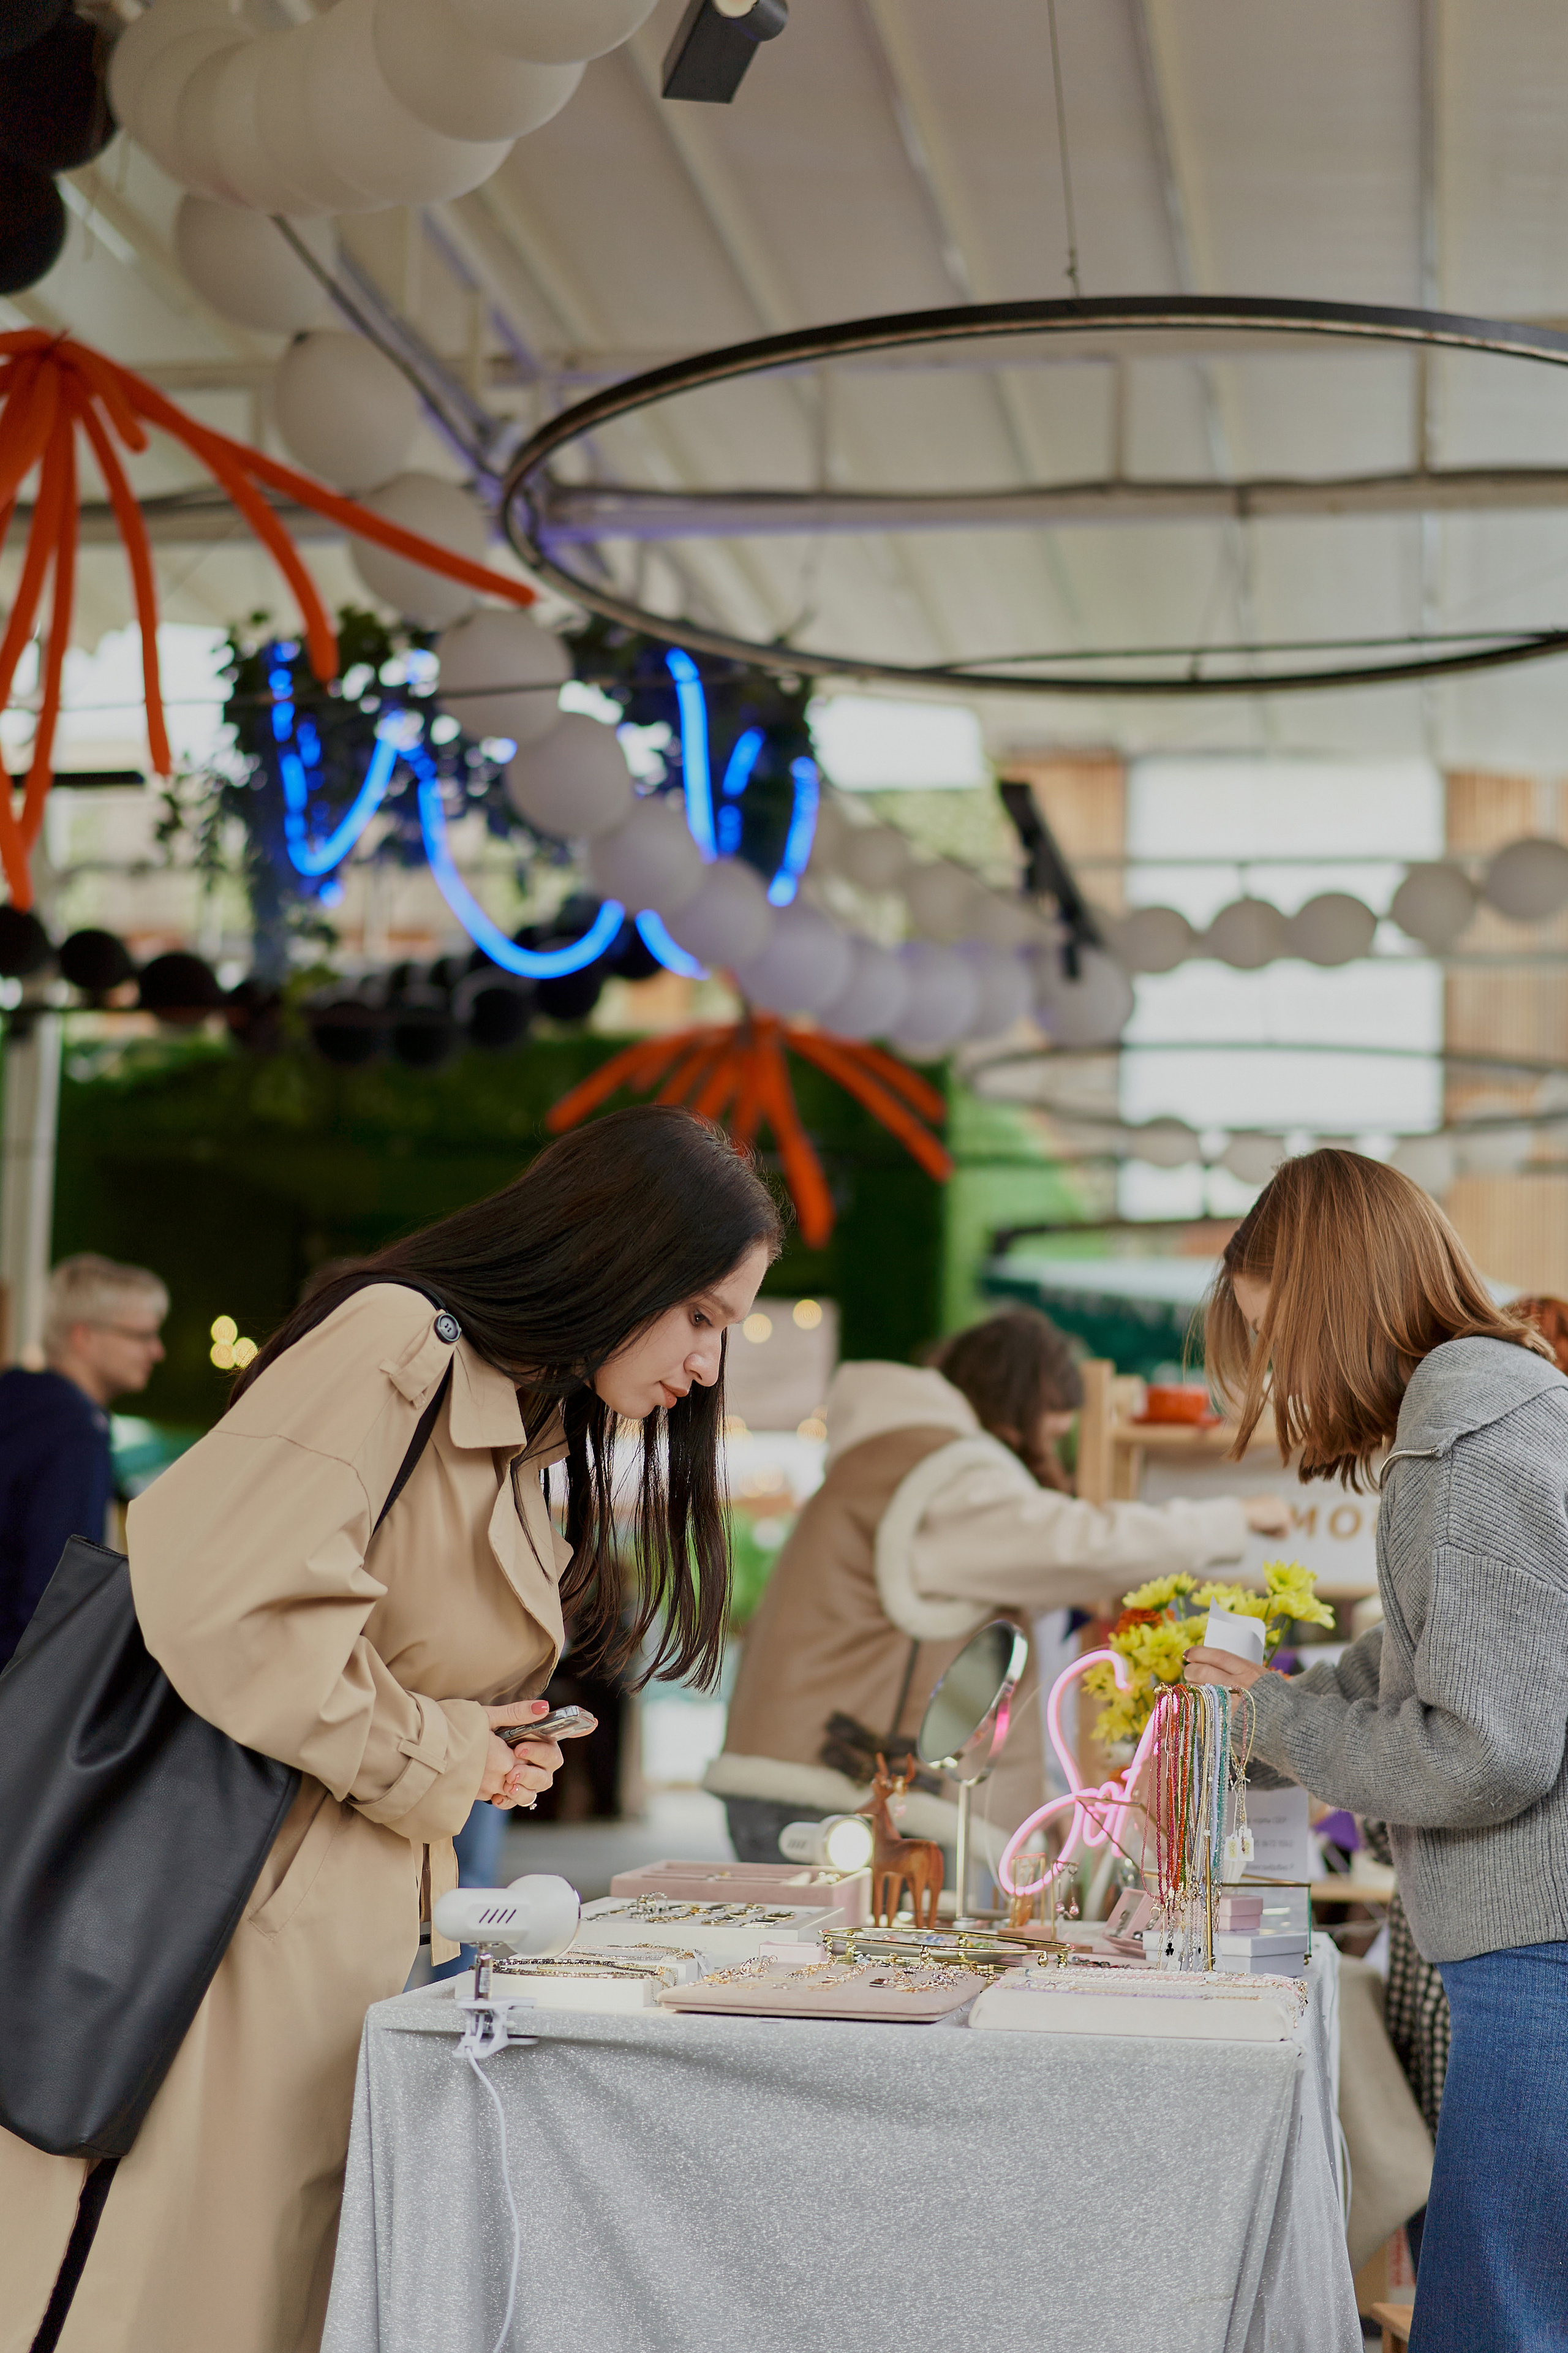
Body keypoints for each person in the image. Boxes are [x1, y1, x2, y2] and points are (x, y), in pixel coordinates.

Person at [1, 1106, 780, 2353]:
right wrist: (439, 1753)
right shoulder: (400, 1348)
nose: (704, 1364)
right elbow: (226, 1596)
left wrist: (477, 1742)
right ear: (620, 1253)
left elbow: (362, 1645)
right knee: (167, 2293)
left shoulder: (516, 1420)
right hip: (221, 1923)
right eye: (701, 1316)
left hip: (330, 1923)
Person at [1183, 1147, 1568, 2353]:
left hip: (1533, 1946)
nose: (1281, 1376)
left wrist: (1274, 1723)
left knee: (1494, 2312)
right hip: (1528, 1941)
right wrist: (1259, 1721)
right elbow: (1432, 1666)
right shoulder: (1502, 1414)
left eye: (1276, 1337)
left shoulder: (1459, 1454)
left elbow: (1485, 1750)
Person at [709, 1306, 1290, 1864]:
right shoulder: (945, 1475)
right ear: (1014, 1415)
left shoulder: (892, 1460)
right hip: (843, 1800)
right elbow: (1076, 1544)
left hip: (812, 1787)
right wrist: (1233, 1519)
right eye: (1043, 1439)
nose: (1040, 1464)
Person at [0, 1254, 167, 1671]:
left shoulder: (16, 1398)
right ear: (84, 1336)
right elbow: (58, 1597)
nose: (157, 1350)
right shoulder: (75, 1431)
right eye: (142, 1334)